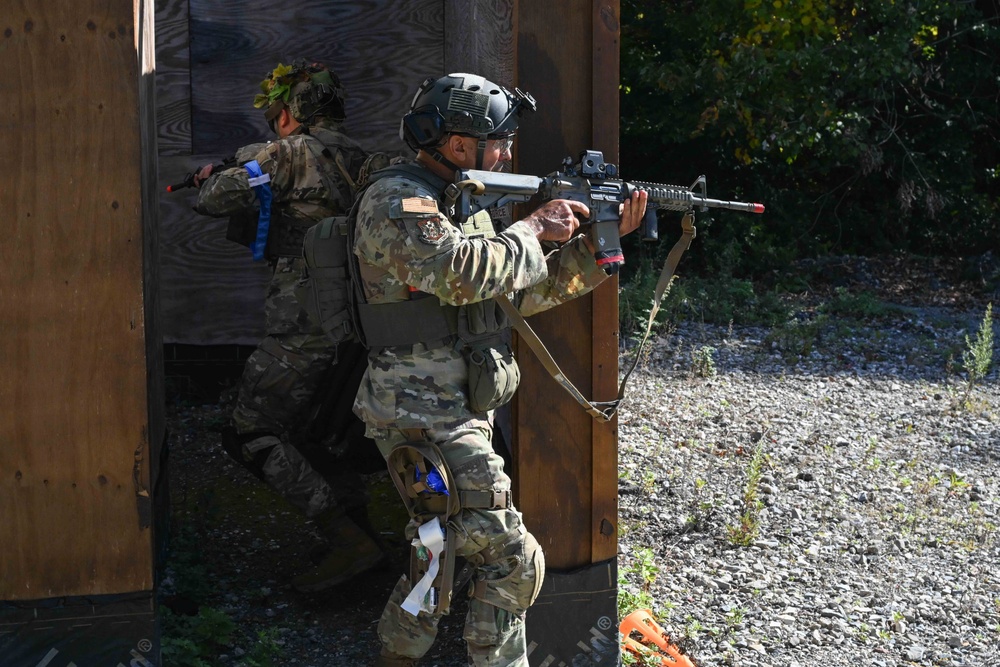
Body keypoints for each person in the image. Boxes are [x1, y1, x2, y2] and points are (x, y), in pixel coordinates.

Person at [350, 73, 647, 666]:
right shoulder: (397, 201)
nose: (509, 154)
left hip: (451, 408)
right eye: (501, 140)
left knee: (440, 551)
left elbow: (510, 294)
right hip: (420, 410)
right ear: (459, 145)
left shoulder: (454, 200)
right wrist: (534, 227)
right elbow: (460, 272)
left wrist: (596, 250)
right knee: (512, 558)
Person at [191, 60, 384, 592]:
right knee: (318, 432)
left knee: (250, 431)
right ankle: (363, 539)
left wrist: (236, 168)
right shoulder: (363, 160)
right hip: (357, 325)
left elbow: (212, 199)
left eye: (277, 113)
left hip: (302, 327)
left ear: (291, 113)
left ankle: (349, 540)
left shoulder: (286, 153)